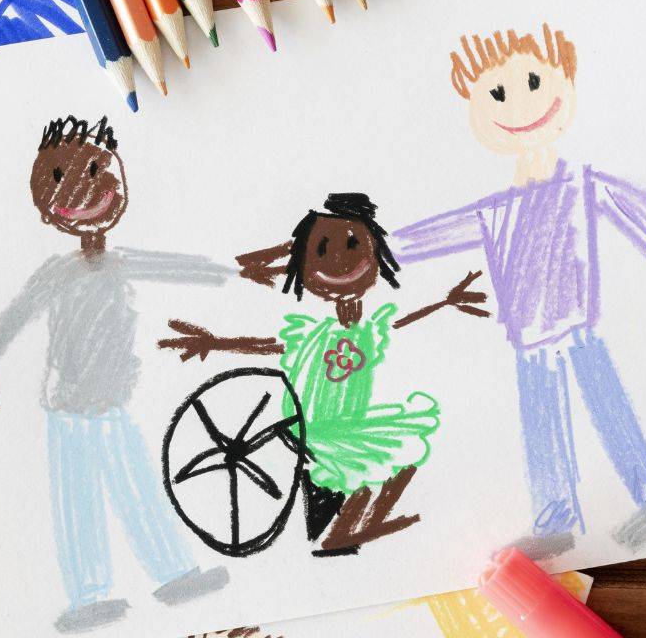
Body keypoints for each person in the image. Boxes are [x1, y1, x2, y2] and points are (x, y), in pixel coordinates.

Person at [391, 25, 646, 557]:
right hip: (529, 343)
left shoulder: (582, 185)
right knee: (543, 432)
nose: (519, 105)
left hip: (579, 330)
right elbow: (432, 235)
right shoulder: (494, 212)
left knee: (610, 409)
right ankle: (554, 519)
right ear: (474, 112)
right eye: (496, 94)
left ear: (566, 81)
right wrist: (373, 250)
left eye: (534, 82)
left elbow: (639, 212)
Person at [0, 116, 230, 633]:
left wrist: (233, 271)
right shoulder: (57, 272)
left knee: (137, 487)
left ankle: (174, 573)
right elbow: (14, 315)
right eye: (65, 178)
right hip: (67, 408)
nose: (88, 186)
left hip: (112, 403)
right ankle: (88, 597)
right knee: (78, 500)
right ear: (47, 211)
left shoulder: (122, 262)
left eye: (99, 169)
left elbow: (177, 266)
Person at [159, 193, 488, 554]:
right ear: (300, 264)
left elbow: (403, 319)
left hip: (347, 424)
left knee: (399, 456)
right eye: (322, 249)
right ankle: (338, 532)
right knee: (363, 469)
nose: (338, 259)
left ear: (375, 255)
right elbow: (268, 344)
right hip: (310, 427)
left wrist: (445, 301)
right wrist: (215, 342)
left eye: (352, 245)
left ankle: (345, 530)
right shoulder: (311, 331)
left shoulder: (370, 328)